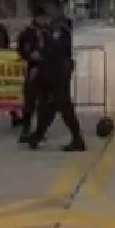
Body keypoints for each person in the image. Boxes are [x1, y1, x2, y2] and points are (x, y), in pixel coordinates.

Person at [22, 14, 87, 153]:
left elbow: (56, 52)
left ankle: (77, 139)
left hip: (59, 75)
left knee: (63, 106)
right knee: (52, 107)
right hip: (55, 74)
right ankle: (38, 136)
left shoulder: (61, 33)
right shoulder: (52, 32)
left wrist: (40, 57)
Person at [13, 9, 46, 133]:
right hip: (32, 69)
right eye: (41, 18)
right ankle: (26, 129)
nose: (43, 21)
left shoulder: (45, 32)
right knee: (29, 102)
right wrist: (29, 58)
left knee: (42, 103)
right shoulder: (27, 33)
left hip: (44, 70)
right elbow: (22, 50)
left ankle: (39, 130)